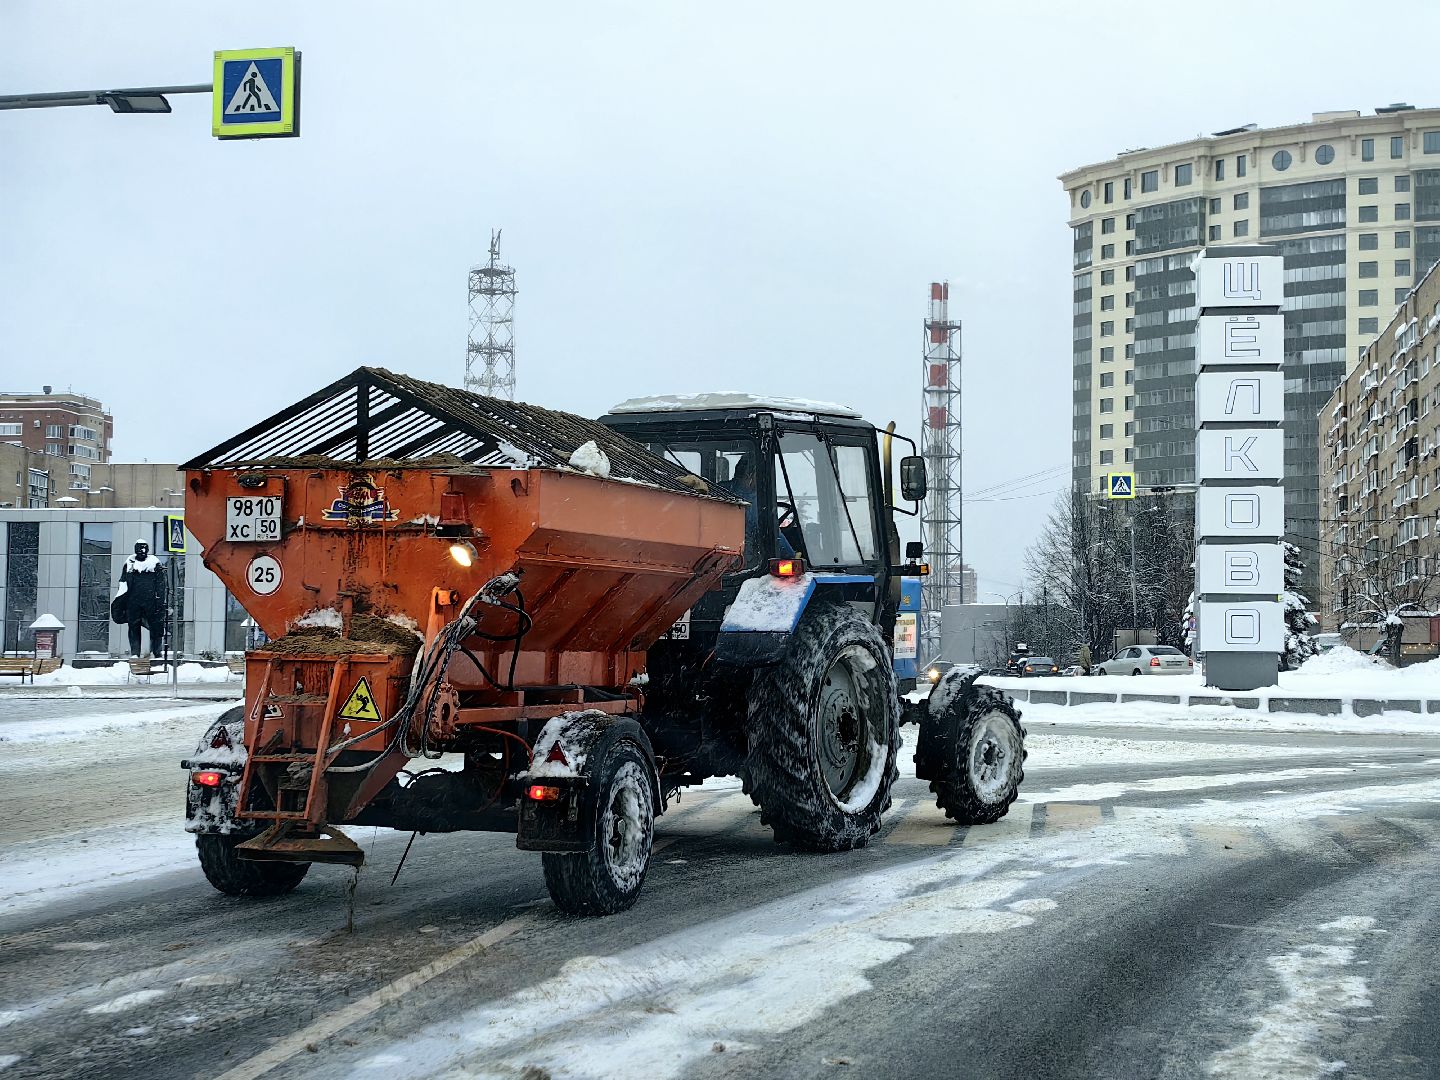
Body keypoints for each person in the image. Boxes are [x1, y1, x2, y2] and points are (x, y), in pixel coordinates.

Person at [720, 455, 795, 561]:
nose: (762, 479)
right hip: (742, 558)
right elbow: (772, 533)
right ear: (749, 475)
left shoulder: (720, 489)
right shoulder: (751, 502)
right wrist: (790, 555)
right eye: (760, 474)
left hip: (721, 553)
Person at [118, 540, 167, 658]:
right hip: (133, 602)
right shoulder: (129, 563)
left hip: (151, 602)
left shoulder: (154, 563)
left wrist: (160, 601)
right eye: (139, 548)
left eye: (144, 548)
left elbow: (161, 584)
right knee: (133, 627)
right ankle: (135, 653)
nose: (142, 550)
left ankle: (156, 652)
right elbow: (123, 581)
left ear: (148, 550)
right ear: (135, 549)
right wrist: (122, 599)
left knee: (156, 627)